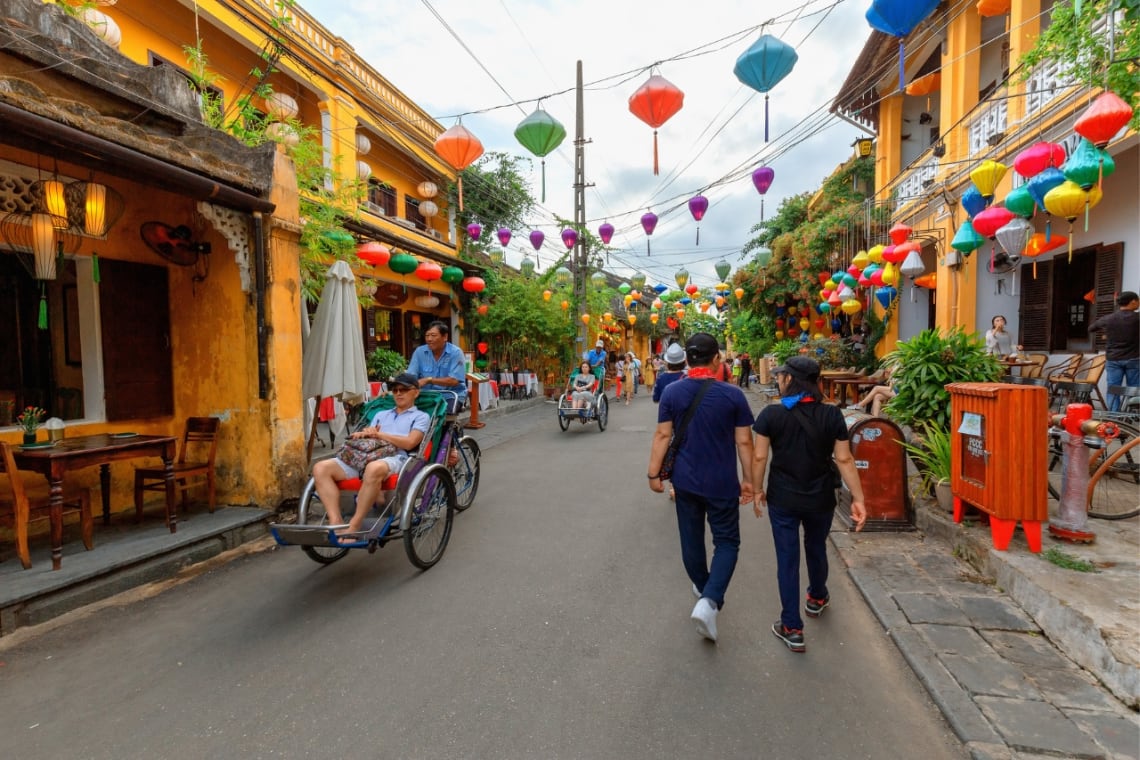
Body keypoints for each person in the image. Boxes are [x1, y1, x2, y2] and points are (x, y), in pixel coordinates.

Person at [751, 355, 867, 653]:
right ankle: (816, 597)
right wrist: (859, 498)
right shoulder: (832, 416)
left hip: (783, 498)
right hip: (820, 497)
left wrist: (756, 489)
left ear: (790, 380)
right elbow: (843, 458)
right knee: (816, 547)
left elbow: (760, 456)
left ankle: (792, 627)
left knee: (787, 559)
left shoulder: (771, 416)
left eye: (781, 375)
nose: (778, 379)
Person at [648, 333, 755, 643]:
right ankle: (709, 601)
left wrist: (653, 474)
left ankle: (705, 589)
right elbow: (744, 441)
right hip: (722, 482)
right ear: (717, 358)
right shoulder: (733, 395)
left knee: (690, 538)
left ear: (687, 360)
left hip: (685, 480)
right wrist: (750, 480)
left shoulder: (672, 393)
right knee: (727, 542)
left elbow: (661, 436)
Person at [310, 372, 431, 534]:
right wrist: (364, 433)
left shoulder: (421, 416)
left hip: (396, 458)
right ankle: (336, 521)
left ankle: (355, 525)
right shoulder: (381, 415)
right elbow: (371, 437)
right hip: (366, 456)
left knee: (373, 468)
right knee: (320, 468)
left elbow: (410, 442)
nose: (398, 393)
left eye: (404, 390)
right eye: (395, 390)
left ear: (415, 392)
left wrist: (380, 435)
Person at [1089, 291, 1139, 411]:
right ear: (1132, 302)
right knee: (1134, 388)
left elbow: (1091, 328)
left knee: (1113, 389)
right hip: (1134, 359)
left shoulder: (1108, 318)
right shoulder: (1138, 318)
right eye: (1138, 300)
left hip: (1113, 359)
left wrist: (1107, 333)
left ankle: (1113, 416)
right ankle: (1131, 415)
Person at [406, 320, 467, 412]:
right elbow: (411, 377)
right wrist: (395, 389)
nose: (429, 339)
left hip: (450, 395)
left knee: (440, 414)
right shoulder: (419, 352)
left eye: (433, 335)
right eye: (427, 335)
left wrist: (428, 380)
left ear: (445, 337)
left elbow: (454, 380)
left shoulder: (456, 353)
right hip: (425, 395)